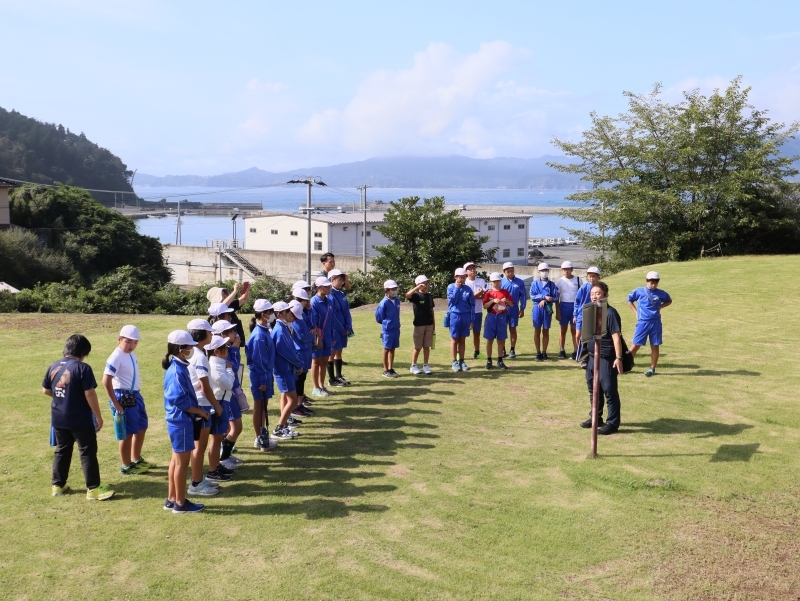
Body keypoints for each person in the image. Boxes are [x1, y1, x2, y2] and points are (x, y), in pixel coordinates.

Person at [43, 334, 114, 500]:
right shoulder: (82, 368)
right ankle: (93, 488)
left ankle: (58, 485)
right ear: (83, 352)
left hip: (59, 418)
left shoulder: (53, 366)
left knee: (62, 450)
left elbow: (46, 390)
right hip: (80, 419)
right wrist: (98, 415)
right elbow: (89, 393)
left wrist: (63, 397)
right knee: (87, 451)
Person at [162, 330, 208, 513]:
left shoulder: (178, 365)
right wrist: (200, 412)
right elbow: (179, 400)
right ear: (181, 349)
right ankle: (180, 503)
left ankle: (172, 498)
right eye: (189, 346)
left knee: (176, 461)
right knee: (181, 463)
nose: (192, 349)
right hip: (180, 421)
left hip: (179, 421)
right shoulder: (176, 370)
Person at [102, 325, 150, 476]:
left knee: (142, 426)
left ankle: (136, 458)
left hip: (135, 395)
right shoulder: (115, 356)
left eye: (135, 342)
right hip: (122, 397)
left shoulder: (131, 354)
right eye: (128, 342)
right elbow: (106, 380)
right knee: (127, 432)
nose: (131, 345)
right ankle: (126, 465)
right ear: (119, 340)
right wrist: (116, 403)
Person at [579, 281, 623, 435]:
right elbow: (586, 335)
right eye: (592, 294)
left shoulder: (610, 313)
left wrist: (618, 358)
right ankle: (596, 417)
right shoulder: (591, 311)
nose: (594, 296)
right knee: (593, 389)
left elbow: (616, 337)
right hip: (592, 357)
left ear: (606, 295)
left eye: (597, 293)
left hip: (606, 357)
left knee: (609, 390)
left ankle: (613, 423)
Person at [186, 319, 223, 495]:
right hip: (201, 405)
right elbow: (205, 386)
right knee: (199, 447)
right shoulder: (199, 356)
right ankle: (195, 484)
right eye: (209, 332)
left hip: (199, 403)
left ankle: (198, 480)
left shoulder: (194, 352)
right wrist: (217, 405)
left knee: (199, 446)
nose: (212, 335)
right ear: (201, 334)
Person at [211, 320, 245, 470]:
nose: (235, 334)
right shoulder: (222, 352)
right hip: (226, 395)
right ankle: (223, 458)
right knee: (235, 427)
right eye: (232, 331)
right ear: (224, 335)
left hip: (231, 393)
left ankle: (226, 454)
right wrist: (236, 350)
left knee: (235, 427)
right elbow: (234, 366)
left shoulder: (227, 348)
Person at [627, 271, 672, 377]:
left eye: (656, 282)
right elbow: (629, 300)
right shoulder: (639, 291)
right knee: (635, 346)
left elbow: (669, 300)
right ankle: (626, 365)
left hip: (656, 323)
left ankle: (652, 368)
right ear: (646, 281)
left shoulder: (661, 293)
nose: (653, 284)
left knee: (655, 346)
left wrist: (660, 307)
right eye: (651, 281)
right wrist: (636, 312)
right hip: (642, 322)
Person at [246, 299, 277, 450]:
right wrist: (264, 380)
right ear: (263, 314)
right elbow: (259, 362)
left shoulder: (264, 330)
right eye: (270, 312)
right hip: (260, 377)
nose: (272, 314)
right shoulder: (259, 336)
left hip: (264, 375)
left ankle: (262, 435)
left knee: (263, 406)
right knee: (259, 406)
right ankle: (260, 438)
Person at [271, 301, 304, 439]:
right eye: (287, 312)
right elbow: (287, 351)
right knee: (293, 399)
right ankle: (279, 428)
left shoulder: (283, 327)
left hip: (286, 368)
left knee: (286, 397)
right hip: (283, 369)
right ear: (279, 315)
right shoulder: (279, 329)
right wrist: (298, 364)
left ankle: (284, 426)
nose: (290, 314)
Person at [204, 335, 235, 482]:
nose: (227, 348)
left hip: (222, 400)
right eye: (224, 347)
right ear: (216, 351)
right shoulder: (215, 364)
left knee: (218, 437)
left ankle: (216, 466)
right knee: (216, 439)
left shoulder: (219, 361)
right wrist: (230, 371)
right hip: (219, 402)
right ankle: (213, 470)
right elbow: (227, 384)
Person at [288, 298, 315, 419]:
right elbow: (303, 335)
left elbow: (311, 325)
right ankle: (295, 406)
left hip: (305, 351)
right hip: (299, 352)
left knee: (302, 378)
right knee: (298, 380)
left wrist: (310, 310)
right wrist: (313, 335)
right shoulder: (293, 321)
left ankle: (299, 404)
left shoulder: (301, 315)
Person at [327, 268, 353, 387]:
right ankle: (332, 379)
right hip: (335, 329)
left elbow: (347, 312)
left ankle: (338, 375)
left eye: (342, 279)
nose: (341, 282)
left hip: (343, 328)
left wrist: (348, 326)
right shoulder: (330, 295)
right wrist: (342, 329)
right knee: (332, 353)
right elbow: (333, 316)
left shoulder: (341, 293)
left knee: (339, 351)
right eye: (339, 279)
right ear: (331, 280)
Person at [482, 273, 514, 370]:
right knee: (490, 339)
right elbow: (484, 306)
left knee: (501, 340)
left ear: (500, 281)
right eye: (493, 281)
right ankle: (489, 360)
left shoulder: (505, 292)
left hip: (502, 317)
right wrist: (492, 301)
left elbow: (512, 304)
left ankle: (500, 360)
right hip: (491, 316)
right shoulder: (489, 293)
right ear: (490, 282)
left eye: (497, 281)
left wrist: (506, 300)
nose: (495, 283)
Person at [405, 274, 435, 375]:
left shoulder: (430, 296)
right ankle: (413, 365)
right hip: (419, 325)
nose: (426, 285)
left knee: (427, 346)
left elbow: (432, 310)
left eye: (427, 284)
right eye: (424, 283)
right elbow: (407, 295)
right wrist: (417, 287)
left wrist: (433, 324)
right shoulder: (416, 296)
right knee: (417, 347)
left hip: (429, 324)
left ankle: (426, 365)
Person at [310, 277, 335, 396]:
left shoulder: (329, 301)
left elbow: (331, 320)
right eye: (326, 286)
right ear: (319, 288)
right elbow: (313, 323)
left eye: (329, 286)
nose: (329, 288)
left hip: (328, 336)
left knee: (325, 361)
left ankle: (321, 385)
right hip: (317, 337)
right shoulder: (314, 302)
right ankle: (316, 388)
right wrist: (318, 338)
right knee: (316, 361)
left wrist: (332, 337)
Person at [447, 267, 475, 371]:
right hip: (455, 315)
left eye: (464, 277)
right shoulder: (450, 287)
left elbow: (472, 305)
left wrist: (472, 320)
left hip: (466, 316)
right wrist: (457, 288)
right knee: (454, 339)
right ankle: (454, 361)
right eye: (460, 277)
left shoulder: (468, 289)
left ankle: (462, 361)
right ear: (455, 277)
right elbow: (452, 302)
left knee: (462, 339)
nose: (462, 279)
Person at [530, 263, 559, 361]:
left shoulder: (552, 284)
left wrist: (546, 300)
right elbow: (532, 296)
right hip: (537, 308)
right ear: (538, 272)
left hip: (547, 309)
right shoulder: (534, 283)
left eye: (546, 270)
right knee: (537, 330)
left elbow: (555, 297)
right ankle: (538, 352)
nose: (544, 272)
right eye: (542, 271)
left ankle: (544, 352)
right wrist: (543, 297)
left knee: (546, 330)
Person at [574, 266, 601, 366]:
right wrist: (575, 314)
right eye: (590, 276)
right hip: (582, 314)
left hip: (593, 314)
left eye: (594, 276)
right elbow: (577, 302)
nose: (592, 278)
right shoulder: (584, 288)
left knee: (589, 337)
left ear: (598, 277)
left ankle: (588, 357)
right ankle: (581, 353)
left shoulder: (600, 288)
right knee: (578, 336)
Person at [555, 261, 582, 359]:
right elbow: (557, 298)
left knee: (575, 330)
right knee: (563, 329)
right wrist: (557, 311)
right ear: (562, 270)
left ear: (571, 269)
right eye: (564, 269)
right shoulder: (559, 282)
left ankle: (576, 350)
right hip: (564, 306)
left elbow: (581, 296)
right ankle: (562, 350)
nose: (566, 271)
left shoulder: (578, 280)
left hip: (575, 307)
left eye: (568, 269)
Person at [500, 262, 527, 358]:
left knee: (513, 329)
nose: (510, 273)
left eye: (512, 271)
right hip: (502, 308)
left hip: (514, 309)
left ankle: (512, 349)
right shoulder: (501, 282)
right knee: (502, 329)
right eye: (508, 271)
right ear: (504, 272)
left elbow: (523, 296)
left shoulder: (520, 282)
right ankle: (502, 349)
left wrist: (522, 308)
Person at [375, 279, 401, 378]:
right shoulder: (384, 303)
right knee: (386, 349)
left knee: (393, 349)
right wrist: (387, 323)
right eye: (392, 289)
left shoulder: (397, 300)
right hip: (388, 330)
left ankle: (390, 368)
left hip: (396, 328)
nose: (395, 290)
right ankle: (385, 370)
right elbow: (379, 317)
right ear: (387, 290)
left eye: (395, 288)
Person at [463, 262, 486, 359]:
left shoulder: (481, 281)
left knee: (477, 332)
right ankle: (459, 354)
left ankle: (477, 352)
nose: (473, 270)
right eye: (470, 269)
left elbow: (485, 295)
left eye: (473, 268)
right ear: (466, 272)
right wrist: (477, 295)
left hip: (477, 311)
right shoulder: (464, 283)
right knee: (462, 333)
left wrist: (476, 296)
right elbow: (465, 298)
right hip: (465, 312)